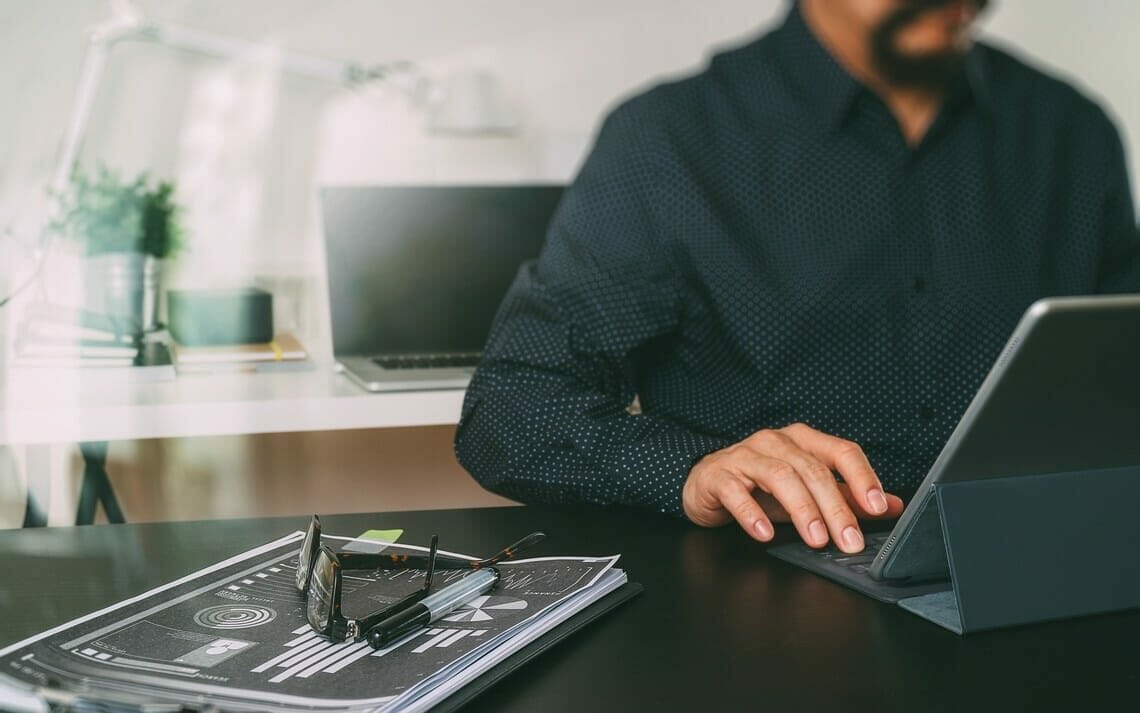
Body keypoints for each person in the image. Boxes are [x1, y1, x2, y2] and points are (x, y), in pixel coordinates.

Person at [454, 0, 1140, 554]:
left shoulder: (1071, 132)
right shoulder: (668, 140)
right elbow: (510, 409)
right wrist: (688, 469)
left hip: (1046, 573)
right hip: (761, 605)